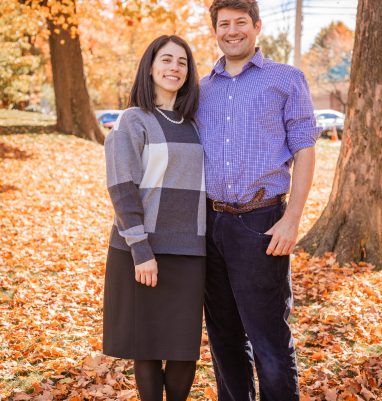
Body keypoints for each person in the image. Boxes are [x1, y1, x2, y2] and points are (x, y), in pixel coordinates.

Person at [196, 1, 321, 400]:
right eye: (224, 24)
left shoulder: (286, 79)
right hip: (209, 223)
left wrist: (292, 220)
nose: (232, 31)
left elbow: (305, 149)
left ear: (257, 27)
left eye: (240, 23)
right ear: (215, 29)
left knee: (268, 337)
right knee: (223, 337)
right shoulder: (201, 88)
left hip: (261, 221)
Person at [103, 35, 206, 401]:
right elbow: (121, 187)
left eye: (182, 62)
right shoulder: (133, 120)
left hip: (191, 249)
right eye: (166, 60)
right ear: (150, 67)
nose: (174, 68)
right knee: (146, 344)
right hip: (142, 249)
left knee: (183, 347)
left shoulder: (195, 123)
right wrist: (141, 249)